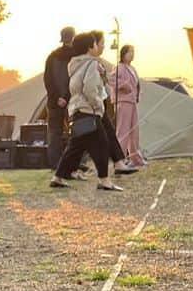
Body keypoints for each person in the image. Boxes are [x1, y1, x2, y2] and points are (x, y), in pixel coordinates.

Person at [50, 30, 123, 191]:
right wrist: (99, 106)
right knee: (103, 143)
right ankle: (104, 180)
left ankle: (57, 177)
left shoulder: (75, 64)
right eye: (96, 43)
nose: (98, 46)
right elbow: (90, 88)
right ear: (90, 47)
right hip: (89, 110)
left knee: (75, 147)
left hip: (76, 109)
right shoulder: (92, 64)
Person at [43, 27, 75, 170]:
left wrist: (57, 98)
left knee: (54, 133)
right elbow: (75, 79)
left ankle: (54, 164)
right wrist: (66, 97)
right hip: (72, 99)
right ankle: (73, 162)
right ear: (73, 37)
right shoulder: (76, 55)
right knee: (75, 132)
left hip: (54, 101)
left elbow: (47, 80)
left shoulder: (51, 56)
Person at [109, 45, 145, 167]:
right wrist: (123, 85)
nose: (132, 54)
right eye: (129, 52)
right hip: (123, 102)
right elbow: (111, 80)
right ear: (123, 54)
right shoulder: (119, 68)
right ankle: (120, 159)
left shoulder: (132, 68)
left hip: (133, 101)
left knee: (134, 131)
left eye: (133, 52)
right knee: (123, 130)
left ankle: (135, 158)